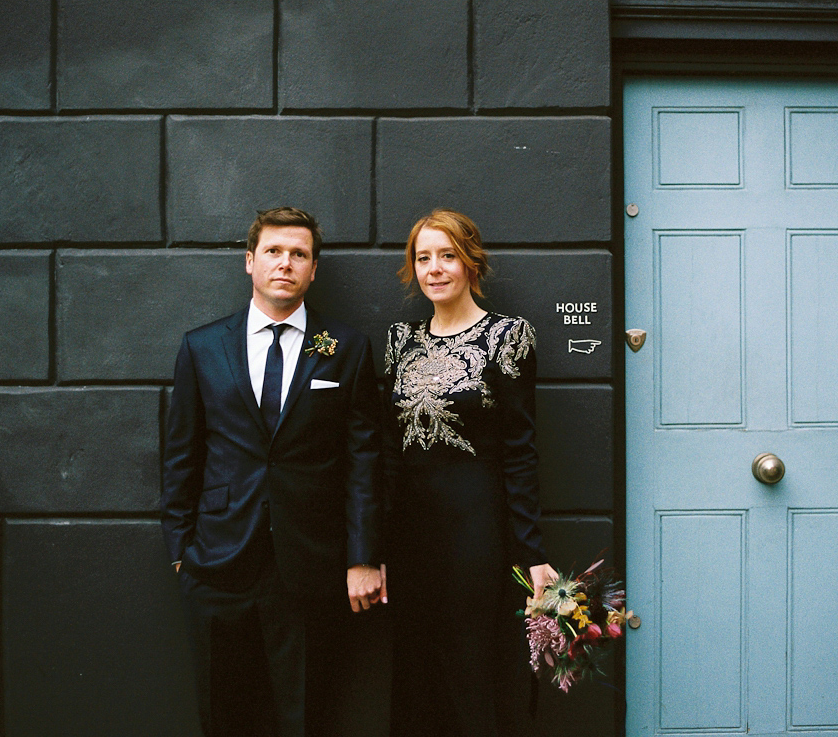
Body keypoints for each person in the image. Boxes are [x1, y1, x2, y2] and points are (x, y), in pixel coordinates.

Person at [161, 206, 385, 737]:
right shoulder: (202, 346)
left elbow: (365, 461)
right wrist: (179, 549)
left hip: (311, 564)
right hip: (218, 560)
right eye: (273, 251)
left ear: (313, 270)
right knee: (224, 713)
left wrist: (363, 556)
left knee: (305, 714)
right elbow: (180, 452)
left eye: (299, 254)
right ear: (249, 262)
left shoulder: (346, 349)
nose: (285, 263)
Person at [384, 209, 558, 737]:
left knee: (472, 669)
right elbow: (388, 449)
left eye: (447, 256)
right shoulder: (399, 339)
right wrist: (375, 544)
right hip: (411, 537)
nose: (434, 269)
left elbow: (520, 449)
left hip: (476, 533)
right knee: (414, 674)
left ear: (471, 263)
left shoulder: (507, 337)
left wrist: (532, 552)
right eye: (423, 258)